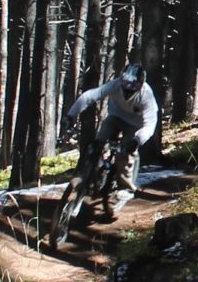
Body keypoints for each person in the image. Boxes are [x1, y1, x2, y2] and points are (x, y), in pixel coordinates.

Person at [63, 61, 159, 214]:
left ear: (141, 84)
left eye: (133, 84)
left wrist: (137, 140)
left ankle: (126, 188)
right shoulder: (115, 85)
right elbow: (90, 96)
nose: (128, 87)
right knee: (96, 145)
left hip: (135, 125)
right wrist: (71, 115)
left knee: (124, 154)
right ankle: (90, 174)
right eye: (125, 82)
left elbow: (150, 125)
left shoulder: (147, 96)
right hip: (115, 117)